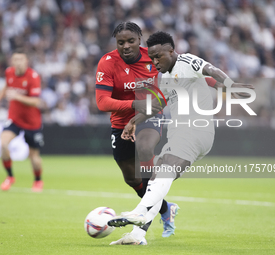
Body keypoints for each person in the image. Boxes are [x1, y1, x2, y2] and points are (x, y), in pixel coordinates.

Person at [108, 31, 254, 245]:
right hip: (180, 133)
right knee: (157, 181)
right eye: (152, 58)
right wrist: (133, 122)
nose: (155, 62)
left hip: (195, 130)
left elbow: (211, 70)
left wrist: (231, 85)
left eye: (159, 56)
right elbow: (156, 105)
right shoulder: (165, 77)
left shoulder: (187, 61)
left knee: (161, 173)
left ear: (171, 51)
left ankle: (139, 212)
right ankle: (137, 236)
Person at [0, 48, 44, 192]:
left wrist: (16, 96)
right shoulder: (9, 72)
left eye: (21, 59)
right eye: (15, 59)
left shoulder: (33, 76)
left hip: (32, 122)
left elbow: (36, 102)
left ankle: (38, 181)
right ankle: (10, 177)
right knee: (3, 144)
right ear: (12, 61)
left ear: (26, 61)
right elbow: (6, 86)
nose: (18, 62)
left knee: (34, 156)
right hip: (14, 118)